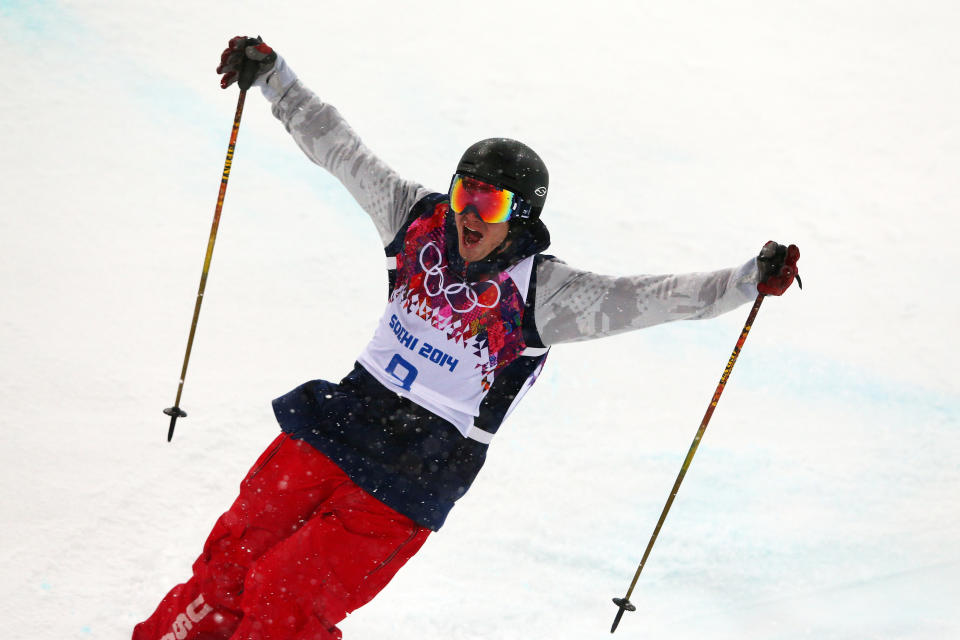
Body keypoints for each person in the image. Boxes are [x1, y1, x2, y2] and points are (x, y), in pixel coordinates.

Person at [133, 36, 801, 640]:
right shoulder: (416, 219)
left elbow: (652, 299)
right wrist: (274, 77)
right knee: (231, 564)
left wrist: (747, 280)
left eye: (491, 204)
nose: (468, 215)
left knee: (284, 600)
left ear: (522, 217)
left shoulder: (547, 294)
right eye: (465, 195)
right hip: (340, 421)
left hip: (408, 478)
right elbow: (340, 149)